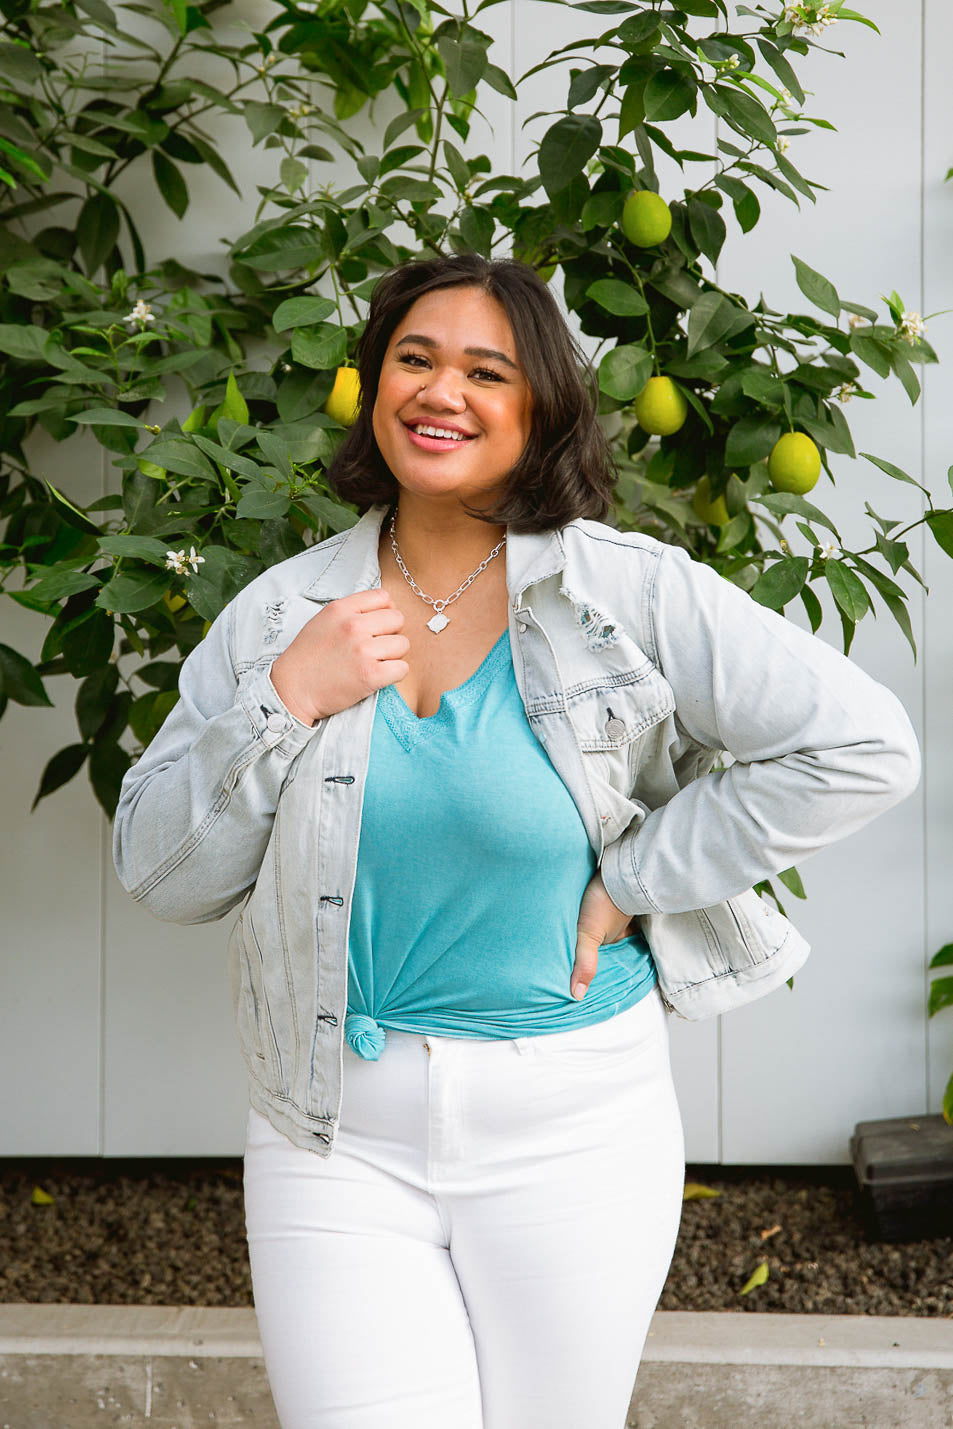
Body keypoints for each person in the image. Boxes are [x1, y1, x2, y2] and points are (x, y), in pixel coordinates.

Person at [113, 251, 921, 1428]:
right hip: (334, 1139)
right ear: (372, 383)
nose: (442, 391)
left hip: (576, 1128)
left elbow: (860, 746)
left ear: (539, 406)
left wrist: (635, 875)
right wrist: (283, 700)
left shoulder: (623, 594)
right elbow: (159, 870)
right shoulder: (282, 617)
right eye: (414, 359)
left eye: (486, 371)